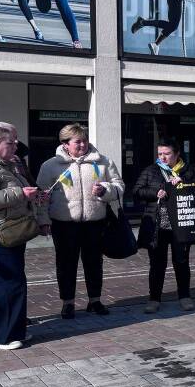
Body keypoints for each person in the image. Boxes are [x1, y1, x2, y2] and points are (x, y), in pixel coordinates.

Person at [34, 124, 123, 319]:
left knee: (94, 262)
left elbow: (119, 186)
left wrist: (105, 190)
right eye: (77, 141)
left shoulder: (103, 162)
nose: (82, 144)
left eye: (84, 140)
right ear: (65, 144)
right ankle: (68, 303)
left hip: (95, 222)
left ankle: (95, 300)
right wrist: (43, 220)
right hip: (64, 224)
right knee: (66, 264)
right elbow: (41, 196)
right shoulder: (50, 165)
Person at [0, 124, 42, 349]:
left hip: (12, 232)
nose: (16, 145)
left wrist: (34, 197)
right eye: (10, 142)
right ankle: (2, 337)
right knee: (3, 285)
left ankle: (15, 331)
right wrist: (21, 193)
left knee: (15, 283)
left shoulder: (8, 166)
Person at [132, 139, 195, 314]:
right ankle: (154, 299)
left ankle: (184, 296)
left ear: (177, 154)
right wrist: (155, 192)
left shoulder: (189, 170)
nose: (162, 157)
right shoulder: (151, 171)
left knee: (182, 262)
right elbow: (137, 191)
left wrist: (183, 182)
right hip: (157, 226)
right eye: (160, 154)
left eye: (167, 154)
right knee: (157, 265)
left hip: (181, 225)